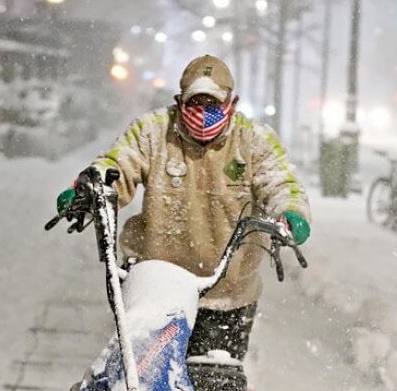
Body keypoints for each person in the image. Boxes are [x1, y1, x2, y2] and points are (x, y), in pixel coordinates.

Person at [56, 55, 310, 360]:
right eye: (195, 104)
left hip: (227, 293)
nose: (203, 114)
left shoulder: (254, 141)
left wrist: (291, 212)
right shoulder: (152, 131)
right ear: (180, 102)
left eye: (213, 105)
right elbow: (117, 165)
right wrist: (90, 191)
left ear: (232, 102)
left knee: (216, 389)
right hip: (155, 289)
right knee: (143, 381)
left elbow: (281, 182)